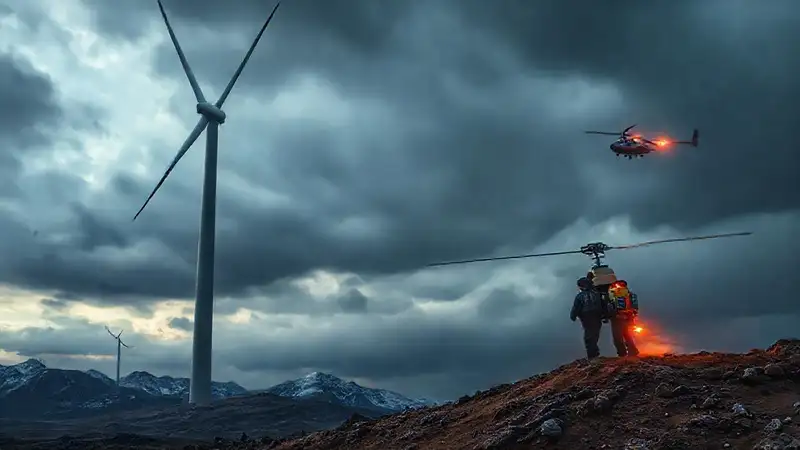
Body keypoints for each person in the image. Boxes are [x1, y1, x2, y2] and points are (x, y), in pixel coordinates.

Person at [570, 277, 605, 359]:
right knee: (595, 335)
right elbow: (603, 305)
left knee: (588, 337)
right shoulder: (597, 294)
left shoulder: (580, 296)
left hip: (586, 318)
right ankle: (594, 353)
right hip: (597, 316)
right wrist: (605, 315)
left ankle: (592, 356)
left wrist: (573, 316)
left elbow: (576, 307)